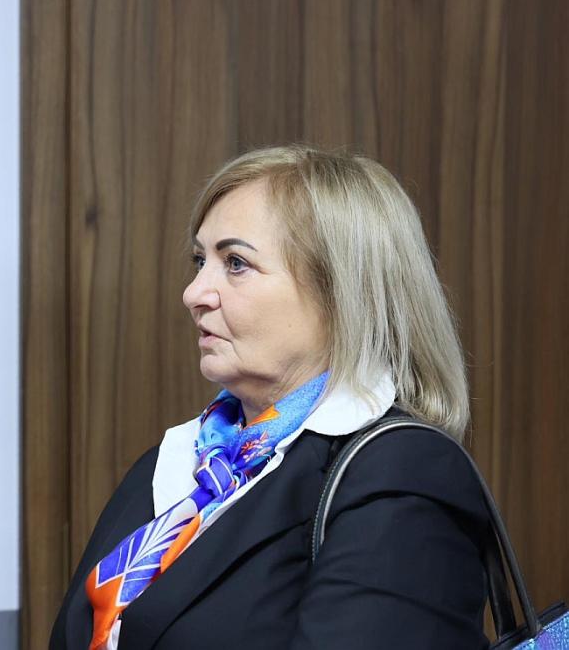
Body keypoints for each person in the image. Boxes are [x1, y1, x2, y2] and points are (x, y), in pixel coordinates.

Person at [51, 145, 490, 649]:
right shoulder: (177, 461)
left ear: (341, 292)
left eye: (236, 263)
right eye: (200, 260)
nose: (194, 293)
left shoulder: (403, 473)